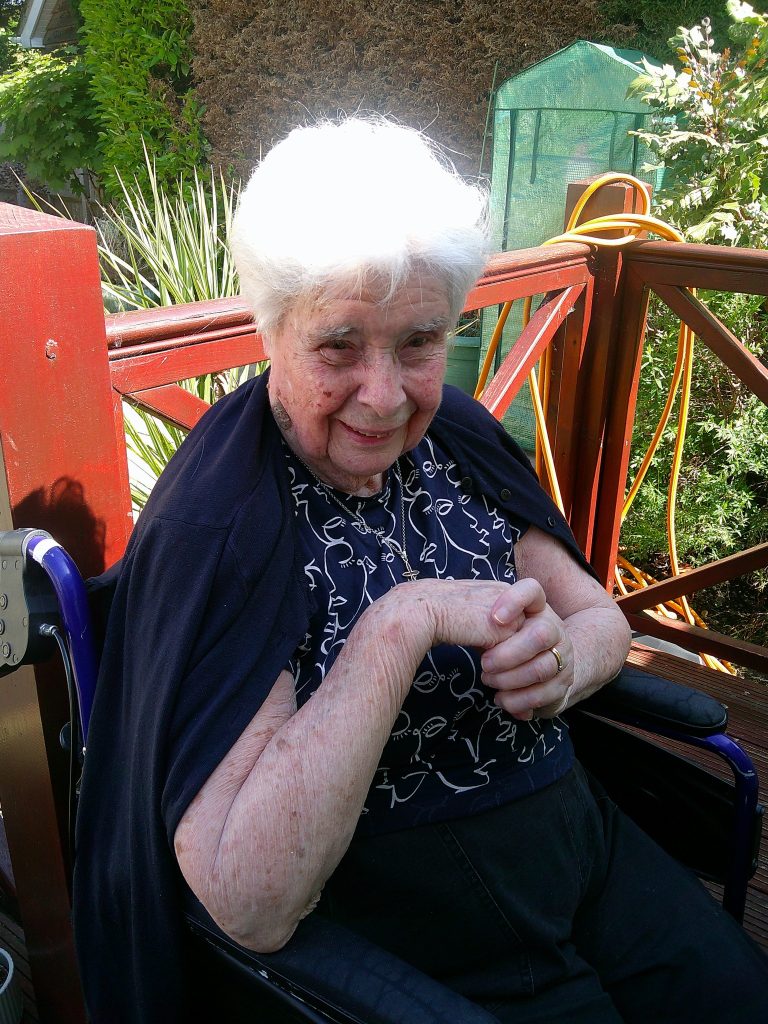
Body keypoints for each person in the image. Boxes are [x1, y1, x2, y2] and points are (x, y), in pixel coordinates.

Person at [73, 117, 768, 1023]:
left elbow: (602, 621)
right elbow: (249, 900)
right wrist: (399, 626)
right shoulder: (228, 523)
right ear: (270, 329)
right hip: (430, 920)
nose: (385, 394)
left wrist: (564, 663)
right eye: (338, 345)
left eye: (419, 342)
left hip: (582, 845)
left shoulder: (458, 438)